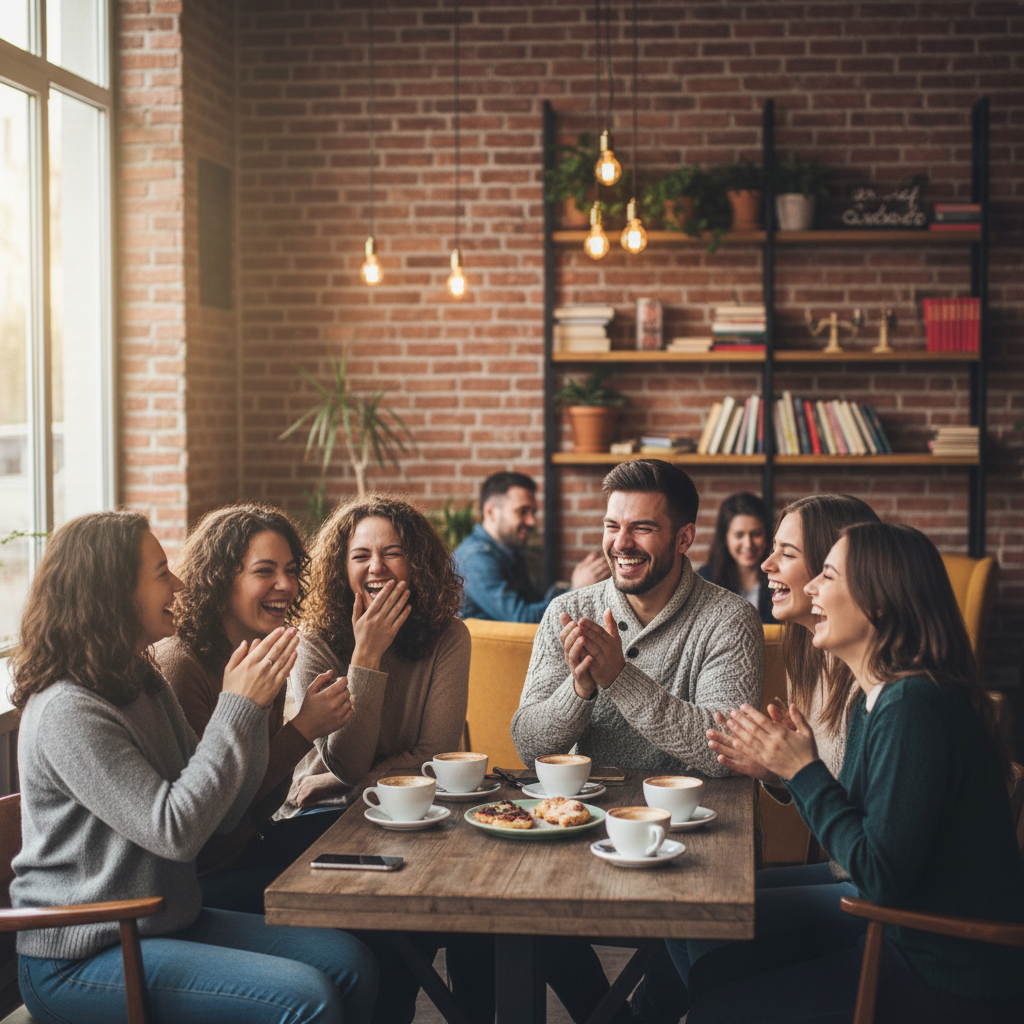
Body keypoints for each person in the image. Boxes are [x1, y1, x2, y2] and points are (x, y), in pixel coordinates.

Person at [9, 510, 377, 1024]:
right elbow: (177, 831)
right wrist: (238, 706)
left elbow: (222, 815)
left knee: (352, 964)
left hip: (160, 922)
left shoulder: (141, 679)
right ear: (113, 591)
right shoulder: (69, 709)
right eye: (161, 572)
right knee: (307, 997)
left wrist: (248, 713)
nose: (178, 582)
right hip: (85, 952)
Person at [686, 522, 1024, 1024]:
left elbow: (878, 876)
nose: (811, 589)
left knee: (717, 1003)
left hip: (948, 969)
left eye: (827, 575)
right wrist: (792, 768)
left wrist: (802, 770)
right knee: (711, 974)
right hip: (901, 933)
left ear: (880, 602)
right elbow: (862, 833)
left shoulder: (914, 705)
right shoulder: (880, 700)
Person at [511, 459, 764, 1024]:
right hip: (585, 826)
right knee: (519, 903)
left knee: (697, 927)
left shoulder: (729, 620)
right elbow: (529, 743)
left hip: (695, 838)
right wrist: (578, 689)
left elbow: (725, 750)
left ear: (685, 538)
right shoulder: (566, 612)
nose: (619, 543)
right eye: (611, 526)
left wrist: (618, 678)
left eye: (641, 529)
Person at [666, 494, 880, 1008]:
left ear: (833, 567)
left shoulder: (874, 682)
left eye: (785, 552)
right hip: (846, 866)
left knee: (702, 927)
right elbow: (829, 787)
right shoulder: (813, 655)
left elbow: (859, 816)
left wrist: (795, 768)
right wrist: (776, 771)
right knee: (680, 909)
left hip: (869, 888)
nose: (765, 563)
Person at [154, 503, 352, 915]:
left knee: (374, 836)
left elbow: (260, 808)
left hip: (250, 844)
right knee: (360, 893)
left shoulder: (264, 652)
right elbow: (211, 818)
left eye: (292, 570)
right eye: (265, 572)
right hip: (201, 878)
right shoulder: (180, 665)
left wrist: (303, 731)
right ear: (221, 580)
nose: (286, 584)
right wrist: (303, 730)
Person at [454, 470, 609, 622]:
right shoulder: (475, 559)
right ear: (490, 512)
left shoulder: (509, 550)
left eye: (532, 512)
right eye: (522, 511)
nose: (531, 521)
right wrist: (576, 590)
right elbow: (523, 618)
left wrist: (573, 584)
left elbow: (533, 602)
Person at [696, 492, 773, 623]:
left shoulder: (780, 580)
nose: (748, 544)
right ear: (725, 538)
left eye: (756, 534)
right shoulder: (705, 579)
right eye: (739, 535)